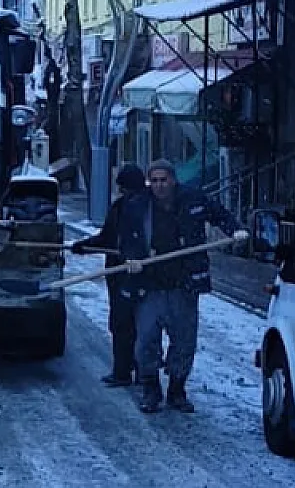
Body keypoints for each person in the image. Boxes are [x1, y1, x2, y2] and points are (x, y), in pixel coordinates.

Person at [132, 159, 249, 414]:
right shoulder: (140, 205)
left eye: (165, 180)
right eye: (155, 181)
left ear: (173, 180)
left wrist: (236, 231)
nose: (160, 186)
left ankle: (177, 389)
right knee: (146, 341)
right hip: (150, 283)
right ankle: (150, 389)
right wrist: (132, 259)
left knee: (184, 341)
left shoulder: (193, 200)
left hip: (184, 284)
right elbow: (126, 235)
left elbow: (220, 215)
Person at [72, 163, 148, 387]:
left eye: (125, 188)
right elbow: (107, 237)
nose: (124, 193)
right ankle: (123, 370)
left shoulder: (147, 208)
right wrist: (84, 246)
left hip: (141, 274)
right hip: (118, 274)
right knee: (121, 324)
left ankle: (142, 371)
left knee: (140, 326)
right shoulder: (119, 207)